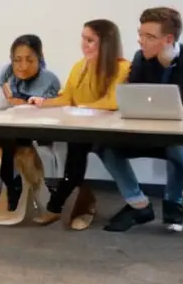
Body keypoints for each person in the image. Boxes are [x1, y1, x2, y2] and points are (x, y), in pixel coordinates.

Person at [99, 7, 183, 232]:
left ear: (168, 39)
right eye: (140, 35)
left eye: (149, 37)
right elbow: (136, 96)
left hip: (181, 133)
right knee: (104, 146)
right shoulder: (141, 58)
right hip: (146, 132)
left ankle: (173, 201)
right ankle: (138, 204)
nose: (141, 42)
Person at [28, 19, 130, 230]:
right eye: (83, 38)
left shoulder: (122, 68)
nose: (84, 44)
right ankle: (61, 204)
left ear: (106, 44)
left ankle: (57, 206)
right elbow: (67, 98)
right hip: (82, 128)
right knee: (74, 156)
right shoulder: (79, 66)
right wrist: (44, 103)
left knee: (75, 159)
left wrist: (83, 107)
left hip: (109, 131)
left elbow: (113, 102)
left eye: (90, 40)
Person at [0, 34, 61, 211]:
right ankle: (11, 182)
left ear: (39, 59)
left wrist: (21, 102)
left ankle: (12, 184)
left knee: (7, 137)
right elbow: (2, 94)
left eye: (29, 60)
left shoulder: (49, 80)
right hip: (11, 124)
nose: (23, 66)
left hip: (37, 127)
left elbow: (52, 109)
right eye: (17, 60)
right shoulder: (7, 73)